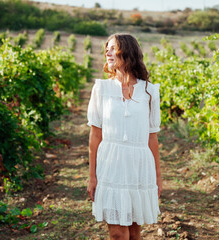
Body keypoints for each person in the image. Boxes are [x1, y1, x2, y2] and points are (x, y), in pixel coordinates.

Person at [87, 33, 162, 240]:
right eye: (107, 49)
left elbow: (152, 138)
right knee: (118, 234)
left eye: (113, 48)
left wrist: (157, 177)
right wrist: (92, 176)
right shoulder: (101, 89)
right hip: (111, 166)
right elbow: (95, 137)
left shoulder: (149, 91)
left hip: (139, 166)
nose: (107, 52)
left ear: (127, 52)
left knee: (135, 233)